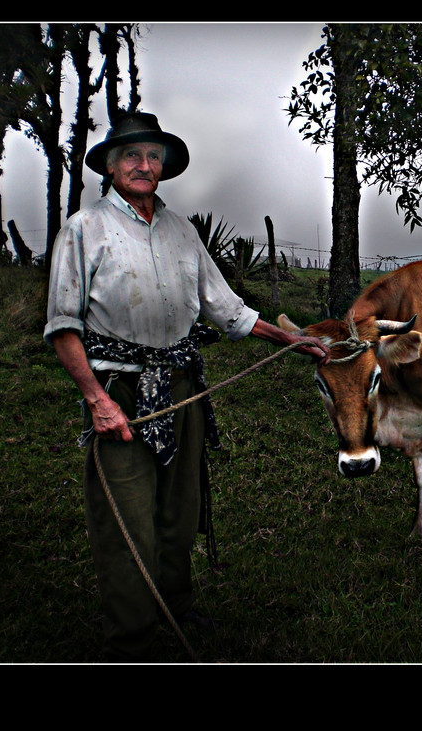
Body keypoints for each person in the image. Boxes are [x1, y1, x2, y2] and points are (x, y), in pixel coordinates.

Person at [44, 112, 330, 661]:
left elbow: (226, 310)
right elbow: (63, 327)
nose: (143, 165)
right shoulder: (85, 229)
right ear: (109, 165)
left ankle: (176, 606)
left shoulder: (182, 232)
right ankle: (132, 638)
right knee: (127, 518)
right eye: (131, 155)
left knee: (180, 510)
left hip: (182, 386)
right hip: (122, 392)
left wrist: (293, 341)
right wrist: (97, 401)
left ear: (164, 167)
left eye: (152, 156)